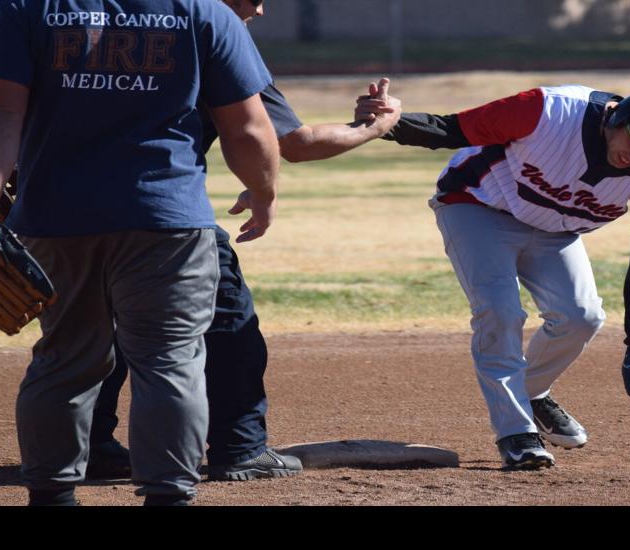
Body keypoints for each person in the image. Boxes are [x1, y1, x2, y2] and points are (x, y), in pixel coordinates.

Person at [0, 0, 280, 506]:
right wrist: (262, 194)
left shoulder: (24, 8)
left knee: (64, 359)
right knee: (170, 361)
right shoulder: (204, 12)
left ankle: (52, 496)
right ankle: (168, 496)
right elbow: (246, 126)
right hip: (167, 218)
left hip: (56, 218)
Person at [87, 0, 404, 482]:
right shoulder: (211, 27)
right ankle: (239, 448)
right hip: (161, 210)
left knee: (90, 330)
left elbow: (5, 108)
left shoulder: (69, 20)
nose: (260, 7)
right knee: (227, 324)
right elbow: (291, 142)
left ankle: (83, 448)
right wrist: (374, 127)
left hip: (58, 213)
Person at [356, 81, 630, 468]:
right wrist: (385, 124)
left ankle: (532, 392)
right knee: (500, 311)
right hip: (477, 204)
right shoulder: (549, 110)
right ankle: (516, 434)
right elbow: (451, 129)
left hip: (554, 231)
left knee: (582, 316)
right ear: (620, 117)